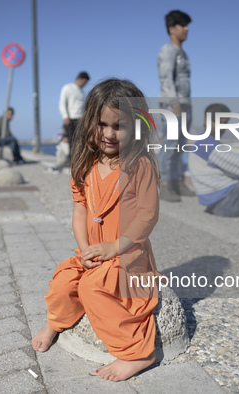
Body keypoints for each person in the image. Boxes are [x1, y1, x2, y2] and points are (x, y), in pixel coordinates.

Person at [32, 78, 160, 382]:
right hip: (93, 252)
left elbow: (147, 216)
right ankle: (56, 321)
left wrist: (114, 247)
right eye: (102, 124)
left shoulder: (139, 165)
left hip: (126, 255)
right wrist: (85, 248)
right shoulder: (85, 163)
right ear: (90, 121)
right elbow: (80, 210)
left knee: (92, 289)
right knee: (64, 283)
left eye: (120, 126)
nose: (109, 134)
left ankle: (139, 353)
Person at [188, 104, 239, 217]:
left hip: (215, 203)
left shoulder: (201, 141)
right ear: (206, 120)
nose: (222, 127)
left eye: (224, 123)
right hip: (226, 202)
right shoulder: (209, 145)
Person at [157, 10, 194, 202]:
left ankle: (177, 181)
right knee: (169, 144)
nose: (186, 29)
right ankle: (164, 185)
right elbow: (166, 78)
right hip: (174, 105)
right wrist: (174, 103)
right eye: (182, 25)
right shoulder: (168, 50)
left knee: (181, 145)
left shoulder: (182, 53)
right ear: (172, 29)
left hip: (185, 104)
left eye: (187, 25)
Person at [59, 71, 90, 157]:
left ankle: (80, 159)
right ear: (80, 79)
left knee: (82, 141)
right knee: (71, 141)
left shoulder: (82, 92)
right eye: (84, 82)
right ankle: (71, 160)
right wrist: (65, 116)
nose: (85, 84)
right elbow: (62, 103)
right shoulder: (68, 87)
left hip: (81, 119)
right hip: (71, 119)